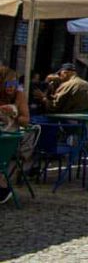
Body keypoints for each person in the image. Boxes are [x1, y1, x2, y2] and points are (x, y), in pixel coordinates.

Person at [0, 62, 37, 205]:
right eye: (8, 83)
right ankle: (3, 186)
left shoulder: (19, 96)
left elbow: (26, 121)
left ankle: (3, 187)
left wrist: (14, 114)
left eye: (14, 83)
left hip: (9, 139)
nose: (11, 87)